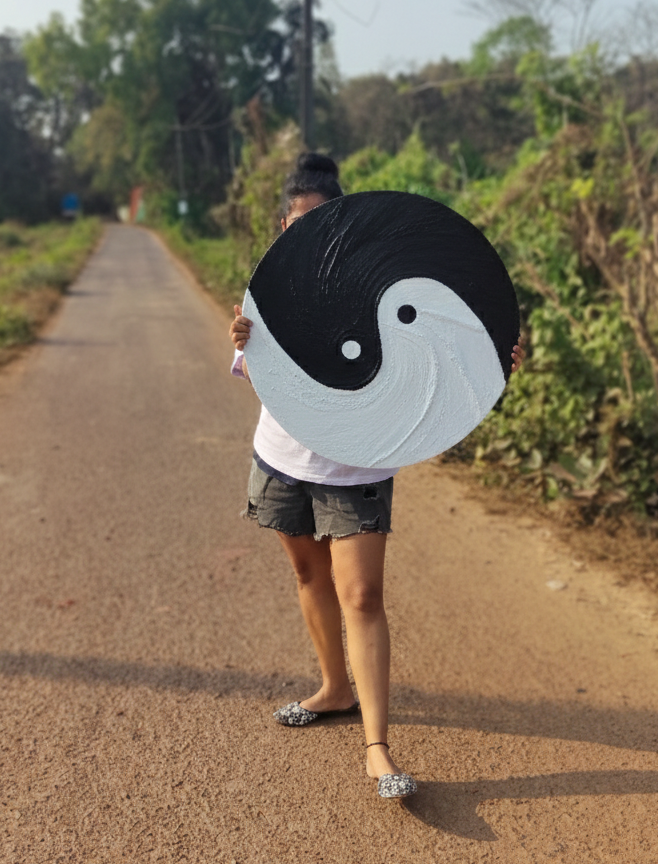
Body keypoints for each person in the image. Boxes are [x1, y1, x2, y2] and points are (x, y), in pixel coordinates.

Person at [228, 153, 525, 798]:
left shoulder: (379, 274)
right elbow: (266, 379)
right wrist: (246, 340)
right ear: (283, 226)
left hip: (358, 464)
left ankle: (378, 750)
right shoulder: (268, 294)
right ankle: (334, 687)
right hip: (281, 457)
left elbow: (440, 343)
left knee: (360, 595)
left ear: (343, 222)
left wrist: (492, 358)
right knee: (308, 575)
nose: (308, 233)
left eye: (322, 221)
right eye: (298, 223)